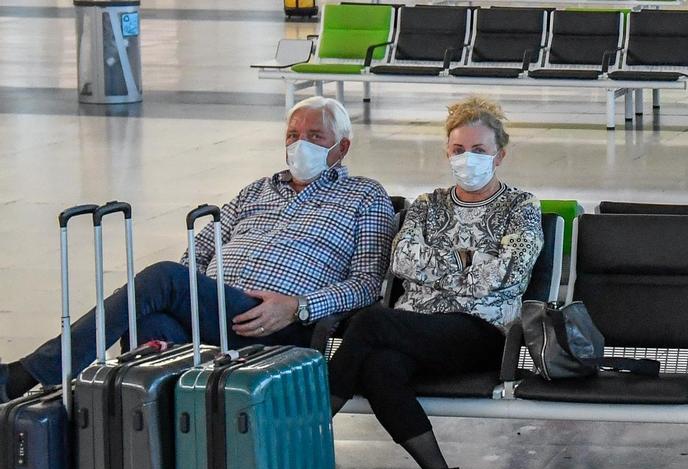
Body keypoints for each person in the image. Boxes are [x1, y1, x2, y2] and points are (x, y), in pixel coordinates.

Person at [0, 96, 395, 403]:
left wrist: (295, 306)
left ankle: (31, 372)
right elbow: (199, 249)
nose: (299, 145)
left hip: (275, 322)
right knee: (152, 329)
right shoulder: (258, 189)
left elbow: (365, 285)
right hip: (215, 311)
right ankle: (157, 457)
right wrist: (200, 295)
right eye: (293, 135)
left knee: (164, 277)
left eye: (315, 137)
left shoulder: (365, 196)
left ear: (341, 148)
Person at [327, 96, 544, 469]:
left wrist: (439, 266)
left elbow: (507, 272)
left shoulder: (521, 206)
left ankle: (309, 425)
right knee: (380, 369)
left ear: (500, 156)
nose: (467, 158)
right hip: (415, 328)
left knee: (371, 321)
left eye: (479, 150)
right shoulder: (428, 205)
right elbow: (402, 260)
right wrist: (471, 260)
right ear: (447, 150)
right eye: (459, 149)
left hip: (481, 332)